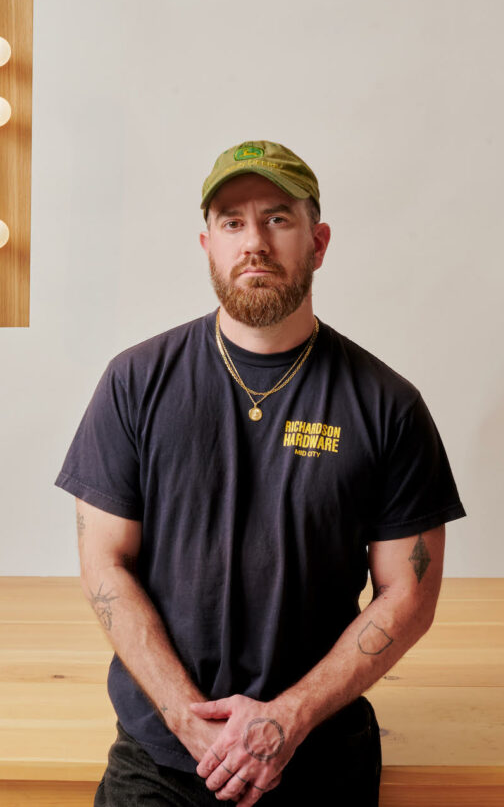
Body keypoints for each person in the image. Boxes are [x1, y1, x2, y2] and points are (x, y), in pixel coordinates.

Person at [55, 140, 466, 806]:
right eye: (232, 221)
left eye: (278, 218)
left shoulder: (387, 405)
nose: (254, 241)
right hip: (161, 754)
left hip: (322, 753)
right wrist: (185, 715)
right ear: (207, 243)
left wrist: (291, 715)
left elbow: (409, 593)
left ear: (318, 240)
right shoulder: (134, 382)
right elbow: (105, 563)